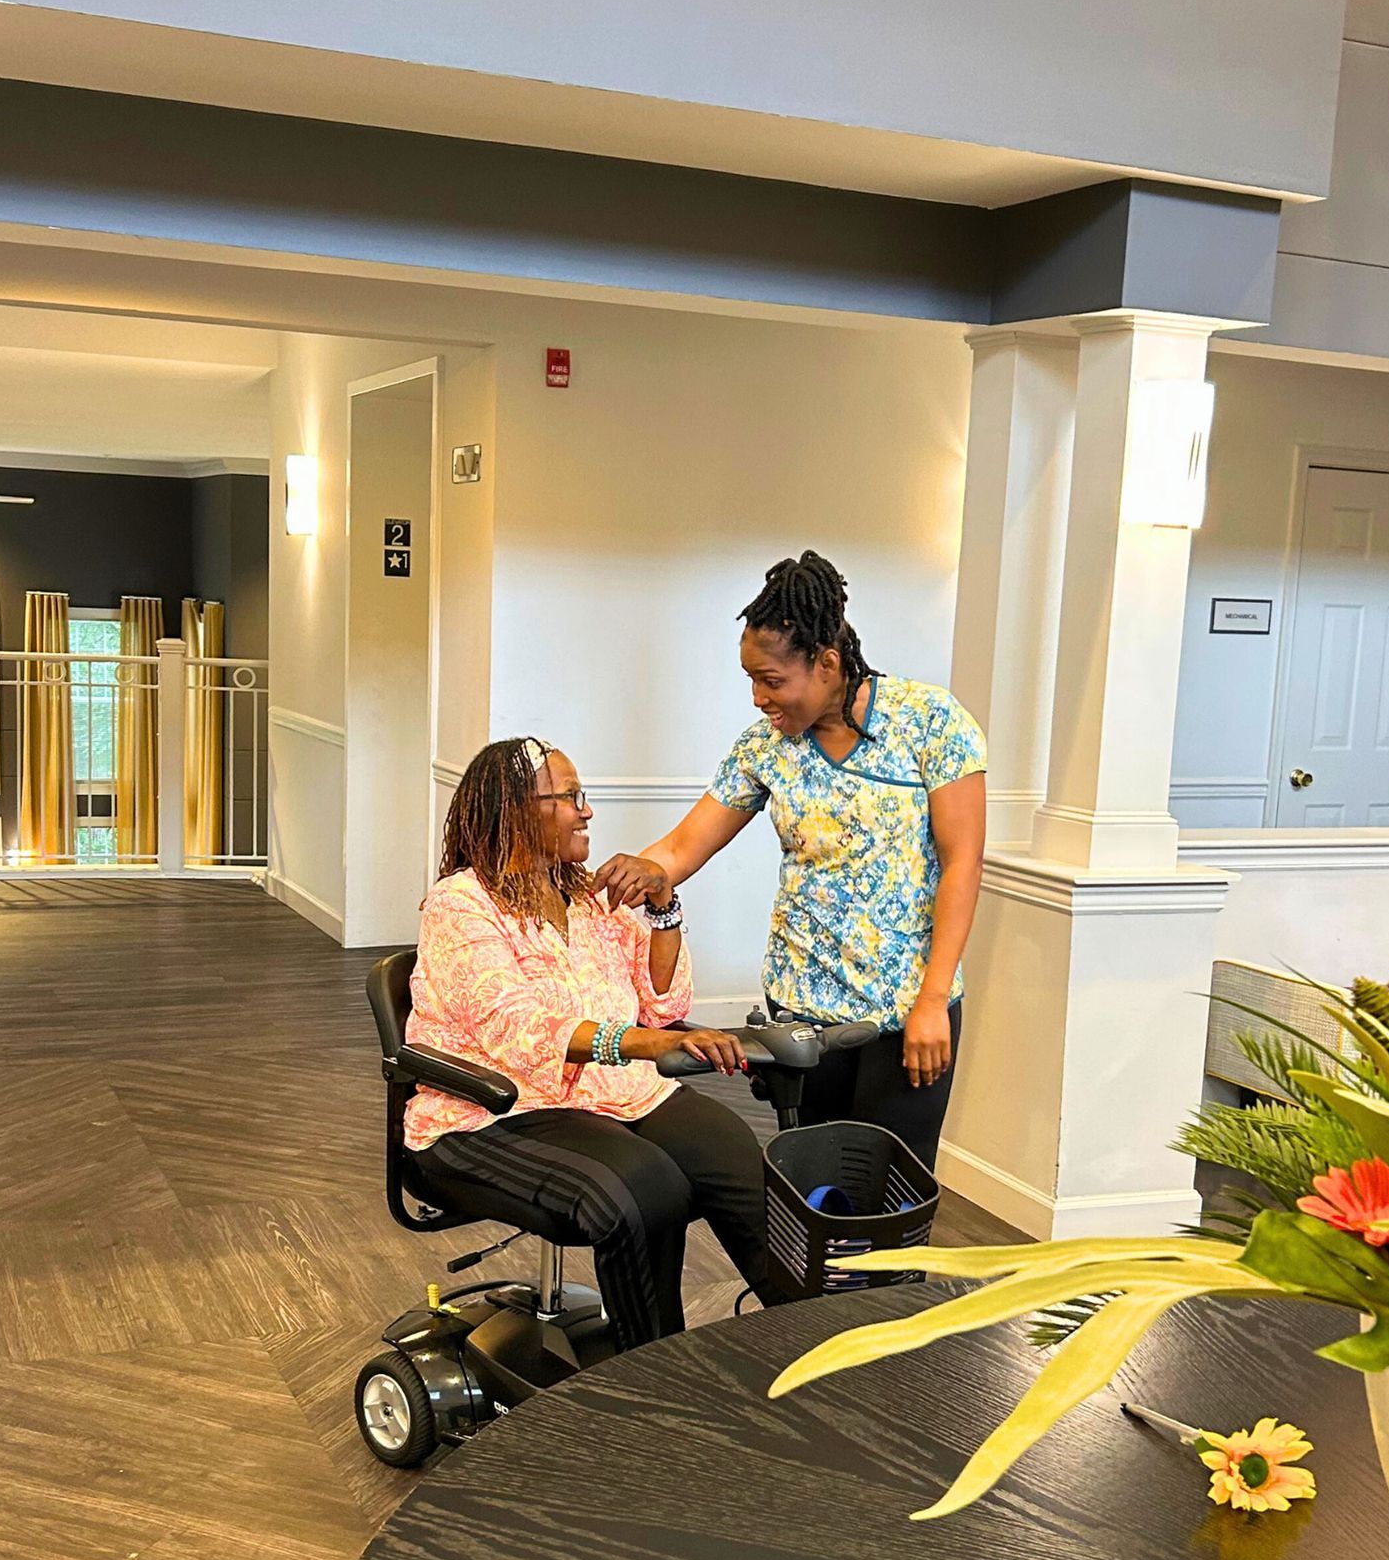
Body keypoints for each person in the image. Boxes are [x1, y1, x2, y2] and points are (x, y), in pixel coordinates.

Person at [595, 551, 986, 1167]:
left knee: (892, 1188)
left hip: (906, 1009)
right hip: (800, 1012)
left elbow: (963, 864)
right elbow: (679, 847)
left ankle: (884, 1272)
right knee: (811, 1185)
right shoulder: (765, 747)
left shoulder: (931, 723)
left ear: (828, 663)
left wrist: (934, 1001)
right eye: (750, 679)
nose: (758, 698)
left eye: (772, 681)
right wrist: (645, 871)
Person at [404, 736, 785, 1347]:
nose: (588, 811)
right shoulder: (461, 904)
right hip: (493, 1110)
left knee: (736, 1156)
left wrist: (664, 907)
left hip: (616, 1095)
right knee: (643, 1190)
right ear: (515, 811)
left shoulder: (586, 896)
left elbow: (662, 1006)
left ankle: (824, 1346)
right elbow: (518, 1029)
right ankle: (654, 1376)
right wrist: (643, 1045)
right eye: (571, 797)